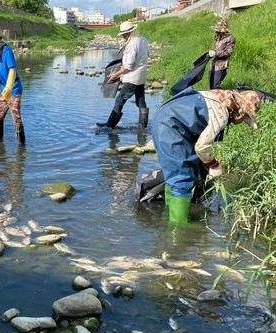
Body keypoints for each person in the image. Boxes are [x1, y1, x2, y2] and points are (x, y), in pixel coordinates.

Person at [151, 87, 261, 224]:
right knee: (182, 178)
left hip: (161, 119)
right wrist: (214, 165)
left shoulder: (214, 96)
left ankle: (169, 215)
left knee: (173, 176)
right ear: (241, 110)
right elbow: (201, 147)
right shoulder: (220, 113)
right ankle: (178, 227)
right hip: (171, 127)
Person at [97, 21, 149, 129]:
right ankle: (142, 127)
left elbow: (128, 67)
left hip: (132, 77)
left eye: (124, 35)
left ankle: (110, 125)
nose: (123, 37)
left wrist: (114, 75)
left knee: (120, 100)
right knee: (140, 100)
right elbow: (146, 55)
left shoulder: (131, 45)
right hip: (142, 75)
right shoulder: (143, 40)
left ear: (130, 32)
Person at [209, 19, 235, 89]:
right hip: (214, 64)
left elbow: (229, 52)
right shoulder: (216, 36)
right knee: (211, 85)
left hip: (222, 65)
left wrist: (216, 53)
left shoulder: (230, 38)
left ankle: (221, 97)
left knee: (215, 87)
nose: (216, 31)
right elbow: (216, 48)